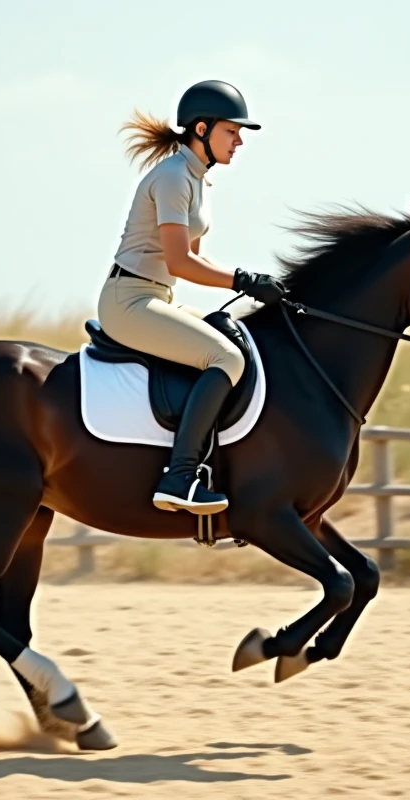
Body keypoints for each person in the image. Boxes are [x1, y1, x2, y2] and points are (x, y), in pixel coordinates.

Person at [98, 79, 287, 516]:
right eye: (231, 131)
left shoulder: (198, 179)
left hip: (157, 298)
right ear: (201, 129)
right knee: (227, 359)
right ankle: (180, 476)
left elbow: (194, 264)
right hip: (129, 302)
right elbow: (182, 262)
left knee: (235, 338)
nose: (239, 141)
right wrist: (244, 278)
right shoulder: (172, 178)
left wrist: (253, 287)